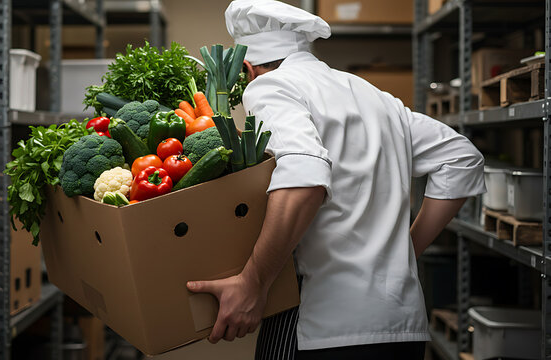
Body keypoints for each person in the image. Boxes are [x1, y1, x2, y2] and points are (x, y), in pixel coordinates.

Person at [186, 0, 486, 359]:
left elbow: (305, 175)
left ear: (249, 68)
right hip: (401, 327)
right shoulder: (372, 95)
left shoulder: (271, 87)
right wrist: (406, 249)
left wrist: (253, 282)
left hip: (327, 326)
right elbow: (461, 158)